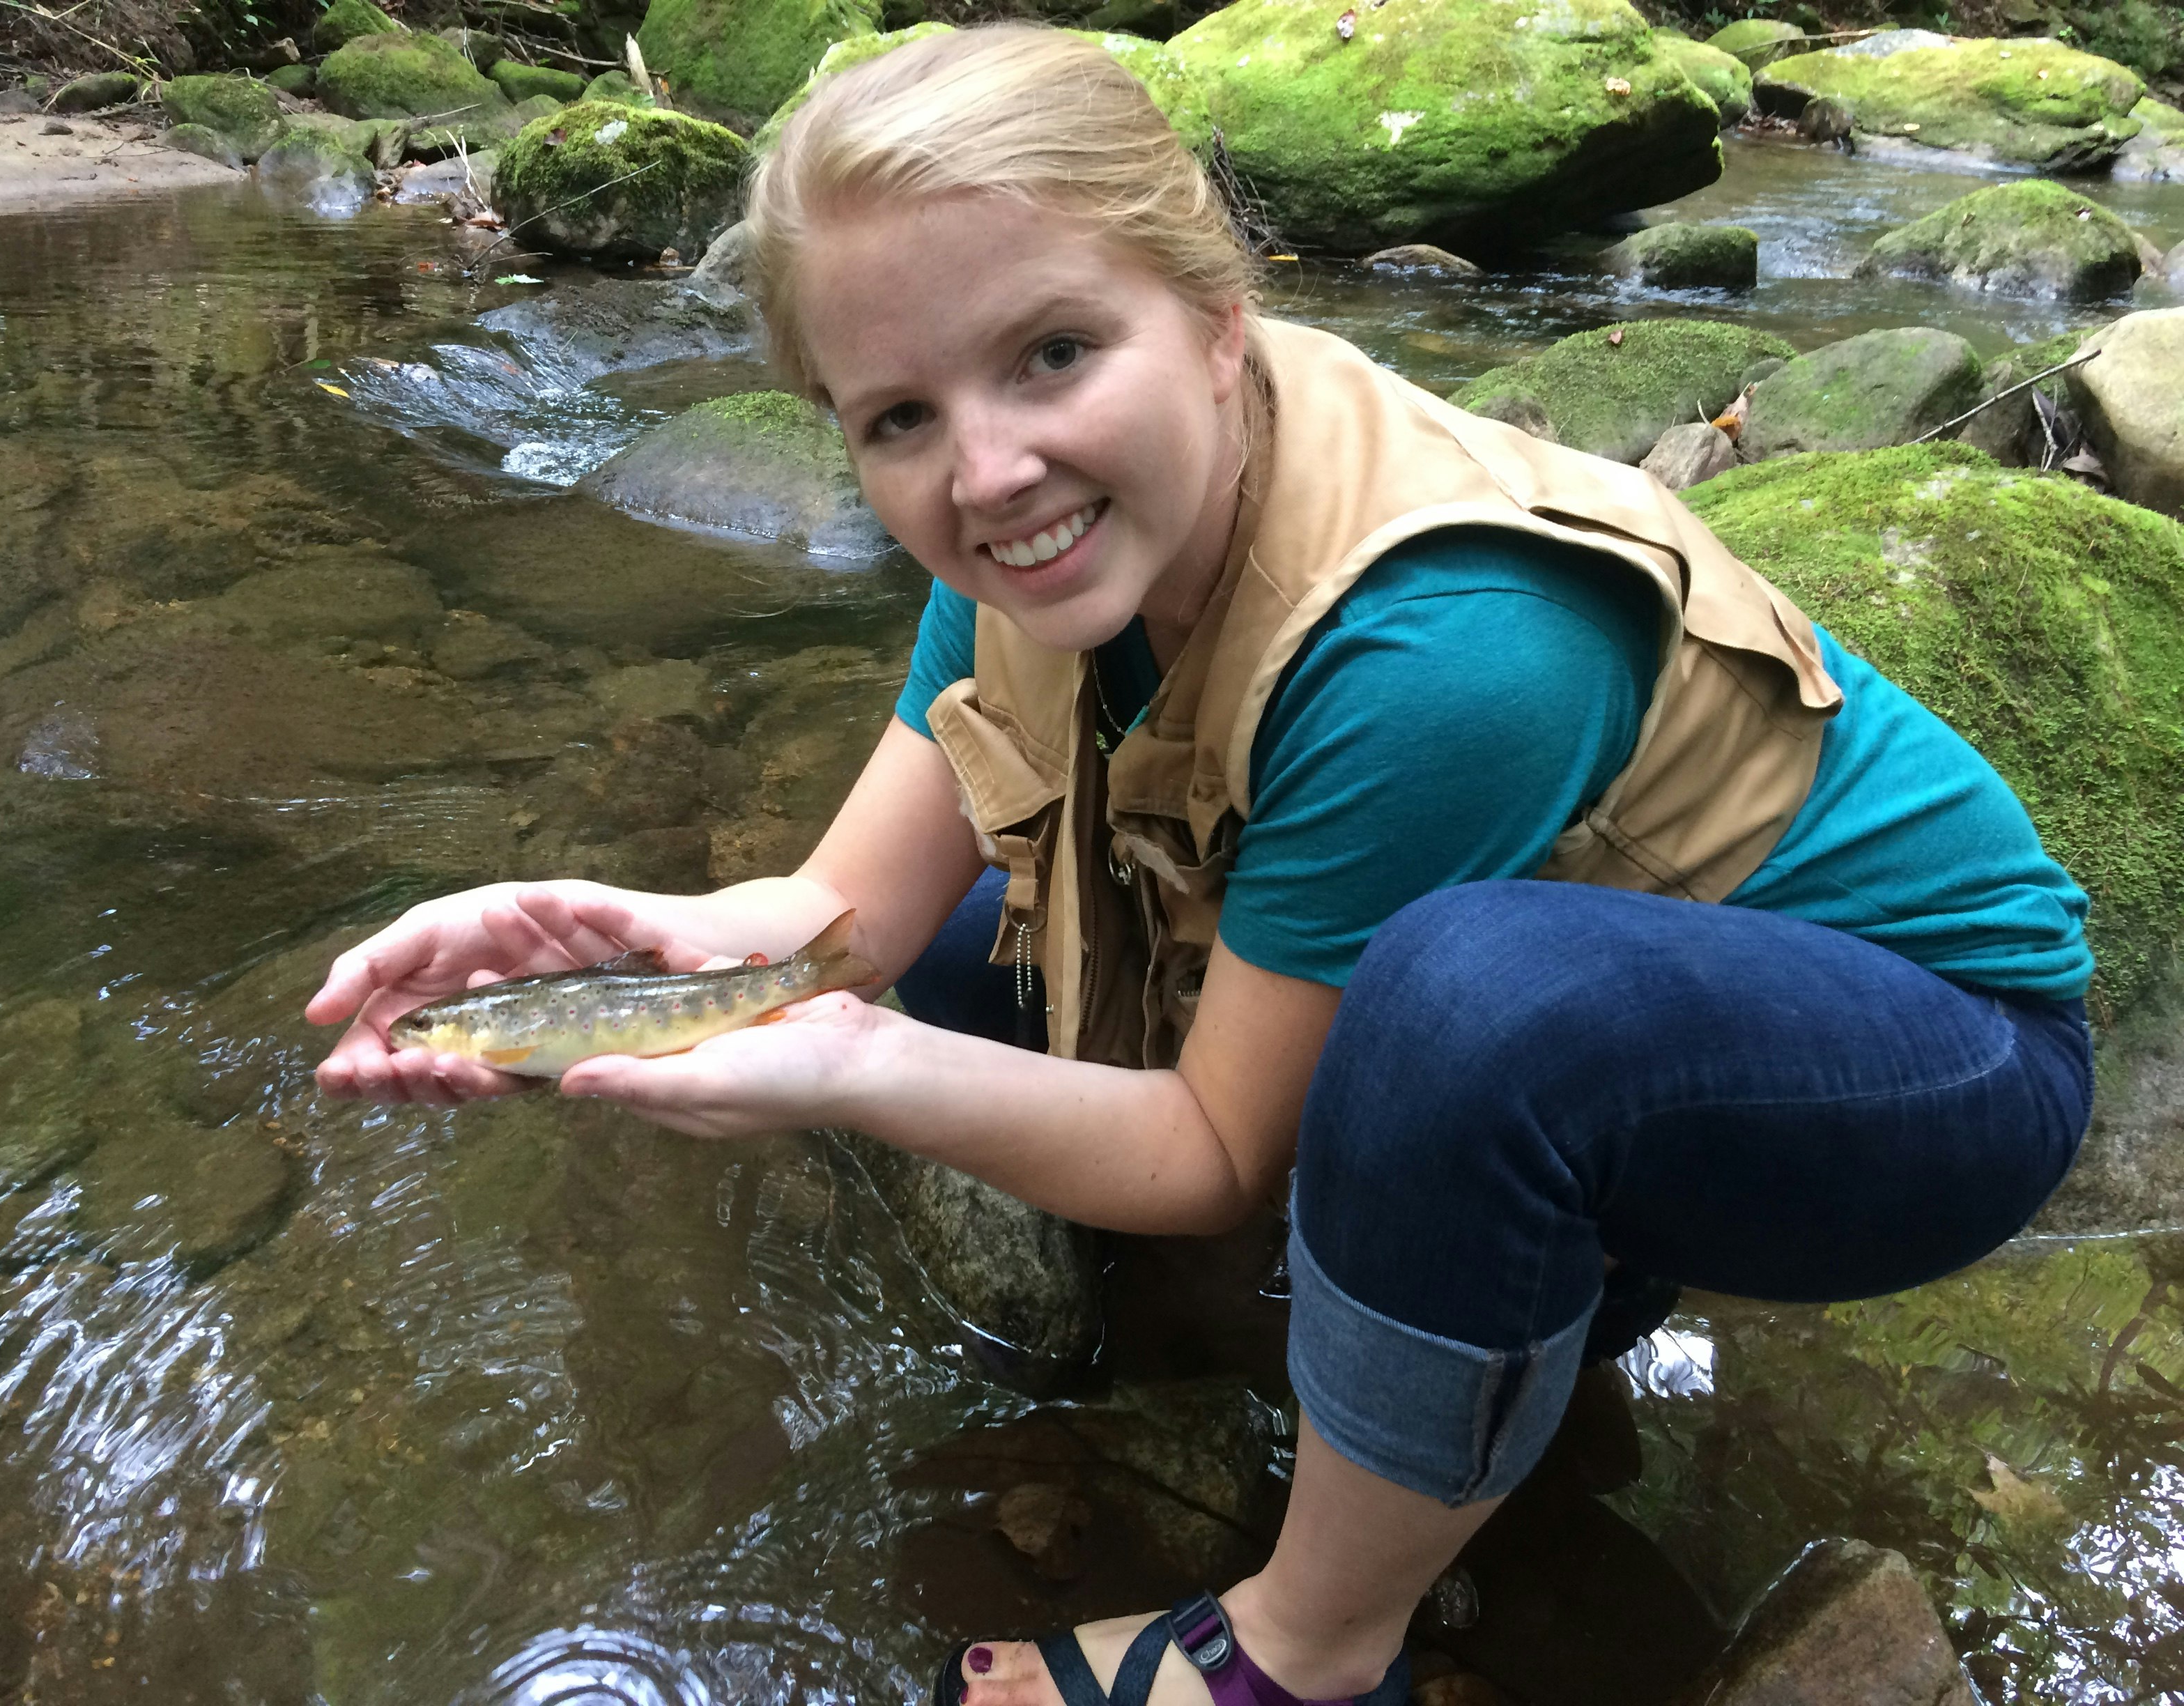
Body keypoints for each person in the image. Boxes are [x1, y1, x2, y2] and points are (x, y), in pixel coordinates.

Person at [306, 26, 2095, 1706]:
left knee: (1467, 1010)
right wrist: (610, 953)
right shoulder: (1035, 528)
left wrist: (852, 1080)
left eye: (1053, 354)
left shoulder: (1446, 648)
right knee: (956, 973)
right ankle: (1511, 1321)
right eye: (895, 419)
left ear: (1223, 318)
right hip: (1612, 1021)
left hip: (1923, 1067)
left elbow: (1217, 1156)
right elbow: (841, 927)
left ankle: (1310, 1645)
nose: (986, 470)